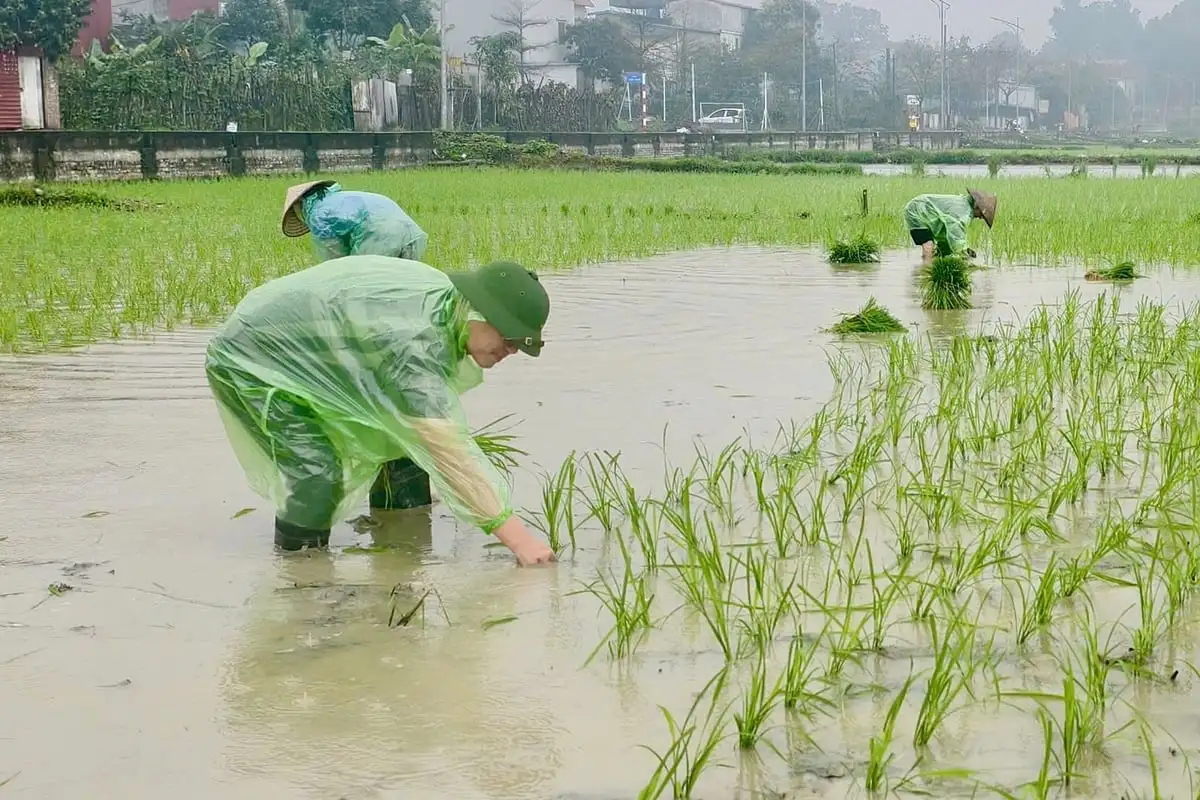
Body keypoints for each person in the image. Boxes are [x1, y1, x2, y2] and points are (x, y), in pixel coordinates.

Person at [204, 255, 556, 567]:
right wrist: (520, 541)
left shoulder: (446, 309)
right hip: (251, 360)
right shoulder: (416, 341)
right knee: (316, 473)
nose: (510, 350)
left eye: (518, 346)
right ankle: (301, 581)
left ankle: (401, 538)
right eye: (508, 339)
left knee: (402, 442)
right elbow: (448, 448)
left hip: (314, 355)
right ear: (478, 314)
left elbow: (410, 420)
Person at [281, 181, 430, 262]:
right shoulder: (343, 198)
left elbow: (335, 262)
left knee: (367, 289)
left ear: (299, 203)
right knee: (404, 289)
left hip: (379, 236)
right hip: (413, 235)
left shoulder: (319, 214)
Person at [903, 188, 997, 264]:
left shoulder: (964, 206)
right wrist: (964, 253)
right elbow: (955, 233)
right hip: (917, 210)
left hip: (924, 210)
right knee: (928, 244)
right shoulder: (962, 211)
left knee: (939, 249)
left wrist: (963, 250)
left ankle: (933, 266)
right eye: (981, 215)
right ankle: (925, 271)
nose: (980, 218)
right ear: (977, 207)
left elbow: (946, 234)